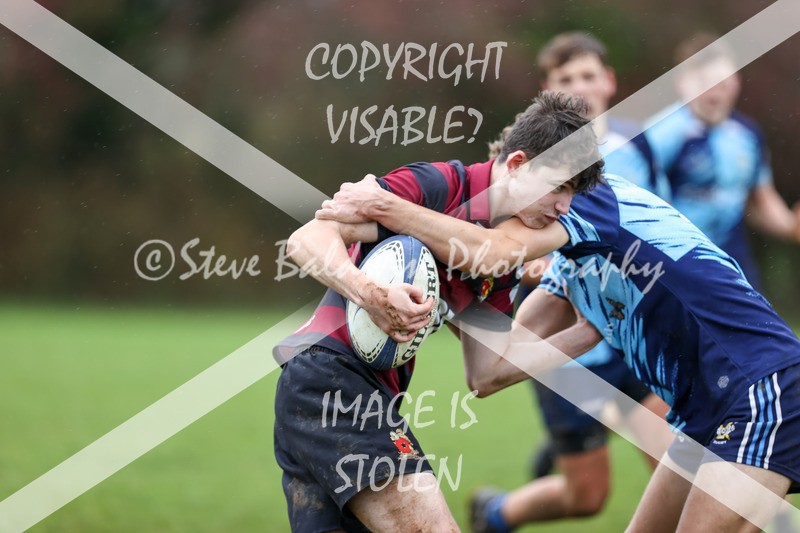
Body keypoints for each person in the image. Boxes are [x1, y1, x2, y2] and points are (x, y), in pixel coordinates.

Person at [316, 107, 800, 532]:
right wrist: (581, 331)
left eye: (565, 191)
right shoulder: (569, 266)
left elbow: (491, 252)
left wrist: (388, 206)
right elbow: (489, 372)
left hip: (760, 385)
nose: (557, 204)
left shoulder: (593, 202)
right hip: (705, 412)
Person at [272, 91, 604, 532]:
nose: (565, 207)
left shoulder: (500, 264)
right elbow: (307, 240)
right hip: (331, 380)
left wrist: (593, 330)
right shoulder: (439, 185)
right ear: (518, 163)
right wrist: (369, 294)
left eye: (573, 194)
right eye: (559, 186)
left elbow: (487, 373)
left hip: (361, 397)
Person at [471, 32, 675, 533]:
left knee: (672, 459)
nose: (580, 88)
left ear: (609, 81)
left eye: (588, 75)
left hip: (630, 332)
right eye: (566, 80)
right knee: (587, 498)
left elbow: (662, 225)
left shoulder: (639, 145)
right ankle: (494, 515)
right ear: (549, 89)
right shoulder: (537, 154)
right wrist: (529, 265)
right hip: (571, 339)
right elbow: (505, 233)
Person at [645, 32, 800, 289]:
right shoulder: (660, 135)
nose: (715, 93)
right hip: (674, 264)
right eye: (705, 83)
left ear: (736, 82)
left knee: (758, 329)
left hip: (733, 263)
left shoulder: (748, 135)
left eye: (722, 83)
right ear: (682, 82)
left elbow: (759, 200)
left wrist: (792, 227)